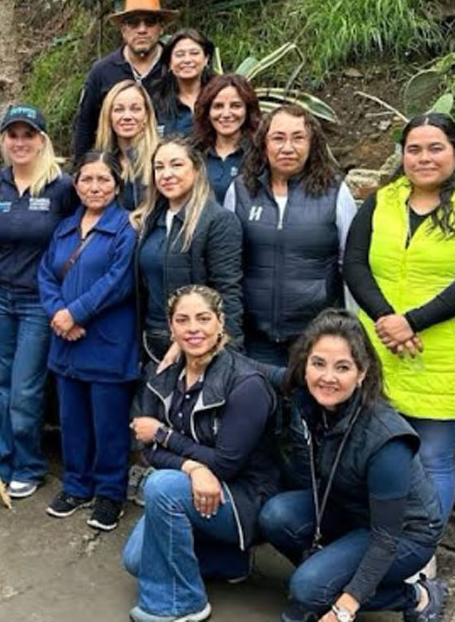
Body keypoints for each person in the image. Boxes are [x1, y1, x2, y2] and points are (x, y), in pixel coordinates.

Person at [258, 310, 447, 622]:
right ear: (305, 364)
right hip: (351, 510)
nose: (327, 377)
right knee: (276, 515)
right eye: (318, 363)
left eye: (342, 367)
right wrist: (205, 347)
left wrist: (344, 608)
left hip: (403, 535)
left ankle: (418, 596)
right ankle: (324, 581)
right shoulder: (310, 395)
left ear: (361, 373)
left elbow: (385, 539)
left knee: (308, 588)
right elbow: (260, 370)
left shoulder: (386, 440)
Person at [124, 285, 279, 622]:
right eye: (183, 320)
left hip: (244, 499)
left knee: (161, 487)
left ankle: (182, 604)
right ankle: (229, 560)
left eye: (203, 318)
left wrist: (165, 435)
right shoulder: (165, 374)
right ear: (171, 327)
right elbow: (148, 448)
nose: (193, 328)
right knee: (136, 560)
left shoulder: (246, 383)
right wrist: (193, 468)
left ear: (220, 322)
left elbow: (226, 464)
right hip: (194, 486)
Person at [344, 112, 455, 523]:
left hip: (442, 355)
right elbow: (354, 263)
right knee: (380, 451)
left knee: (435, 458)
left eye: (435, 148)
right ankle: (382, 542)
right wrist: (388, 318)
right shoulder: (383, 201)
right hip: (380, 348)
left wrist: (412, 322)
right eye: (414, 149)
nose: (424, 158)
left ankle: (422, 550)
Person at [37, 150, 138, 531]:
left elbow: (118, 281)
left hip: (107, 341)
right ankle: (76, 486)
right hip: (66, 341)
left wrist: (75, 313)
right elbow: (46, 274)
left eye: (103, 179)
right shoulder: (65, 228)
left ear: (117, 185)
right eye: (87, 179)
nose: (95, 187)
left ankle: (110, 494)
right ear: (76, 184)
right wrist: (58, 314)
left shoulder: (126, 229)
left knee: (109, 424)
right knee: (72, 420)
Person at [0, 103, 77, 499]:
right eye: (13, 135)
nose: (20, 142)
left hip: (39, 302)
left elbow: (78, 240)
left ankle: (28, 465)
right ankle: (1, 463)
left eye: (28, 135)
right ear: (3, 140)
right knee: (1, 384)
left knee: (25, 388)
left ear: (42, 140)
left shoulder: (62, 187)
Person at [223, 104, 357, 366]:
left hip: (317, 338)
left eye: (298, 138)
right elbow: (228, 264)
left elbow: (349, 265)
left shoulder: (336, 193)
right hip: (255, 338)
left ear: (312, 144)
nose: (287, 147)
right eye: (278, 138)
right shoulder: (240, 191)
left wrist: (351, 328)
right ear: (264, 143)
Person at [131, 138, 243, 362]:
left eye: (176, 165)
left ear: (197, 169)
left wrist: (228, 350)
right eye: (159, 167)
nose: (166, 174)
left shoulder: (218, 220)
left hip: (197, 343)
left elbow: (227, 291)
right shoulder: (149, 220)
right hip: (151, 340)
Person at [71, 0, 176, 158]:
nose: (142, 30)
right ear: (123, 30)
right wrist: (81, 167)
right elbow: (85, 125)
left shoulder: (175, 67)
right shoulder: (102, 71)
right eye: (134, 23)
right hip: (114, 164)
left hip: (165, 165)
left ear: (161, 27)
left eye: (149, 22)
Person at [191, 73, 261, 203]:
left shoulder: (260, 154)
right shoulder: (193, 153)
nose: (226, 114)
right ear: (207, 112)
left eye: (235, 106)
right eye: (218, 106)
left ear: (248, 110)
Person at [95, 79, 160, 210]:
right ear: (109, 116)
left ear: (146, 115)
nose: (127, 116)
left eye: (135, 109)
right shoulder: (99, 161)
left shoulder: (160, 159)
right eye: (119, 110)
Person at [154, 29, 216, 138]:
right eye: (180, 55)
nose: (187, 60)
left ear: (206, 59)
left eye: (194, 53)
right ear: (169, 62)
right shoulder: (157, 102)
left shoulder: (219, 96)